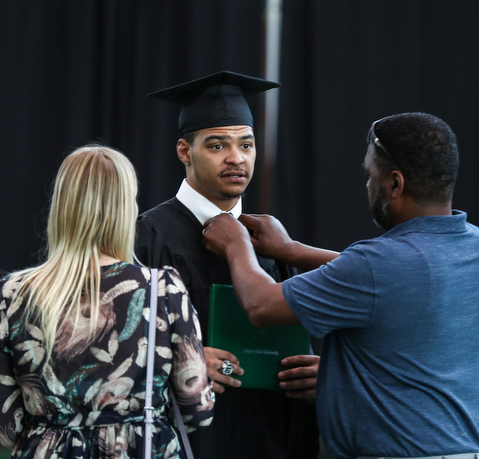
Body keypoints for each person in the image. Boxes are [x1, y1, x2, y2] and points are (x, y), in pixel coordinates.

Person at [203, 112, 479, 459]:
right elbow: (385, 278)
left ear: (395, 184)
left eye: (369, 174)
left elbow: (262, 305)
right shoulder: (478, 246)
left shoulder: (379, 264)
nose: (368, 184)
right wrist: (290, 251)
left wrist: (235, 244)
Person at [0, 145, 214, 458]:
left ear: (61, 206)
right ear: (126, 208)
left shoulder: (8, 295)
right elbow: (198, 411)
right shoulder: (162, 290)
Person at [135, 71, 320, 459]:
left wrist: (318, 373)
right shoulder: (149, 235)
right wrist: (178, 360)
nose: (237, 158)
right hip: (185, 437)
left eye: (247, 145)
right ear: (185, 151)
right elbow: (110, 344)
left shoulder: (271, 243)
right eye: (217, 145)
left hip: (270, 435)